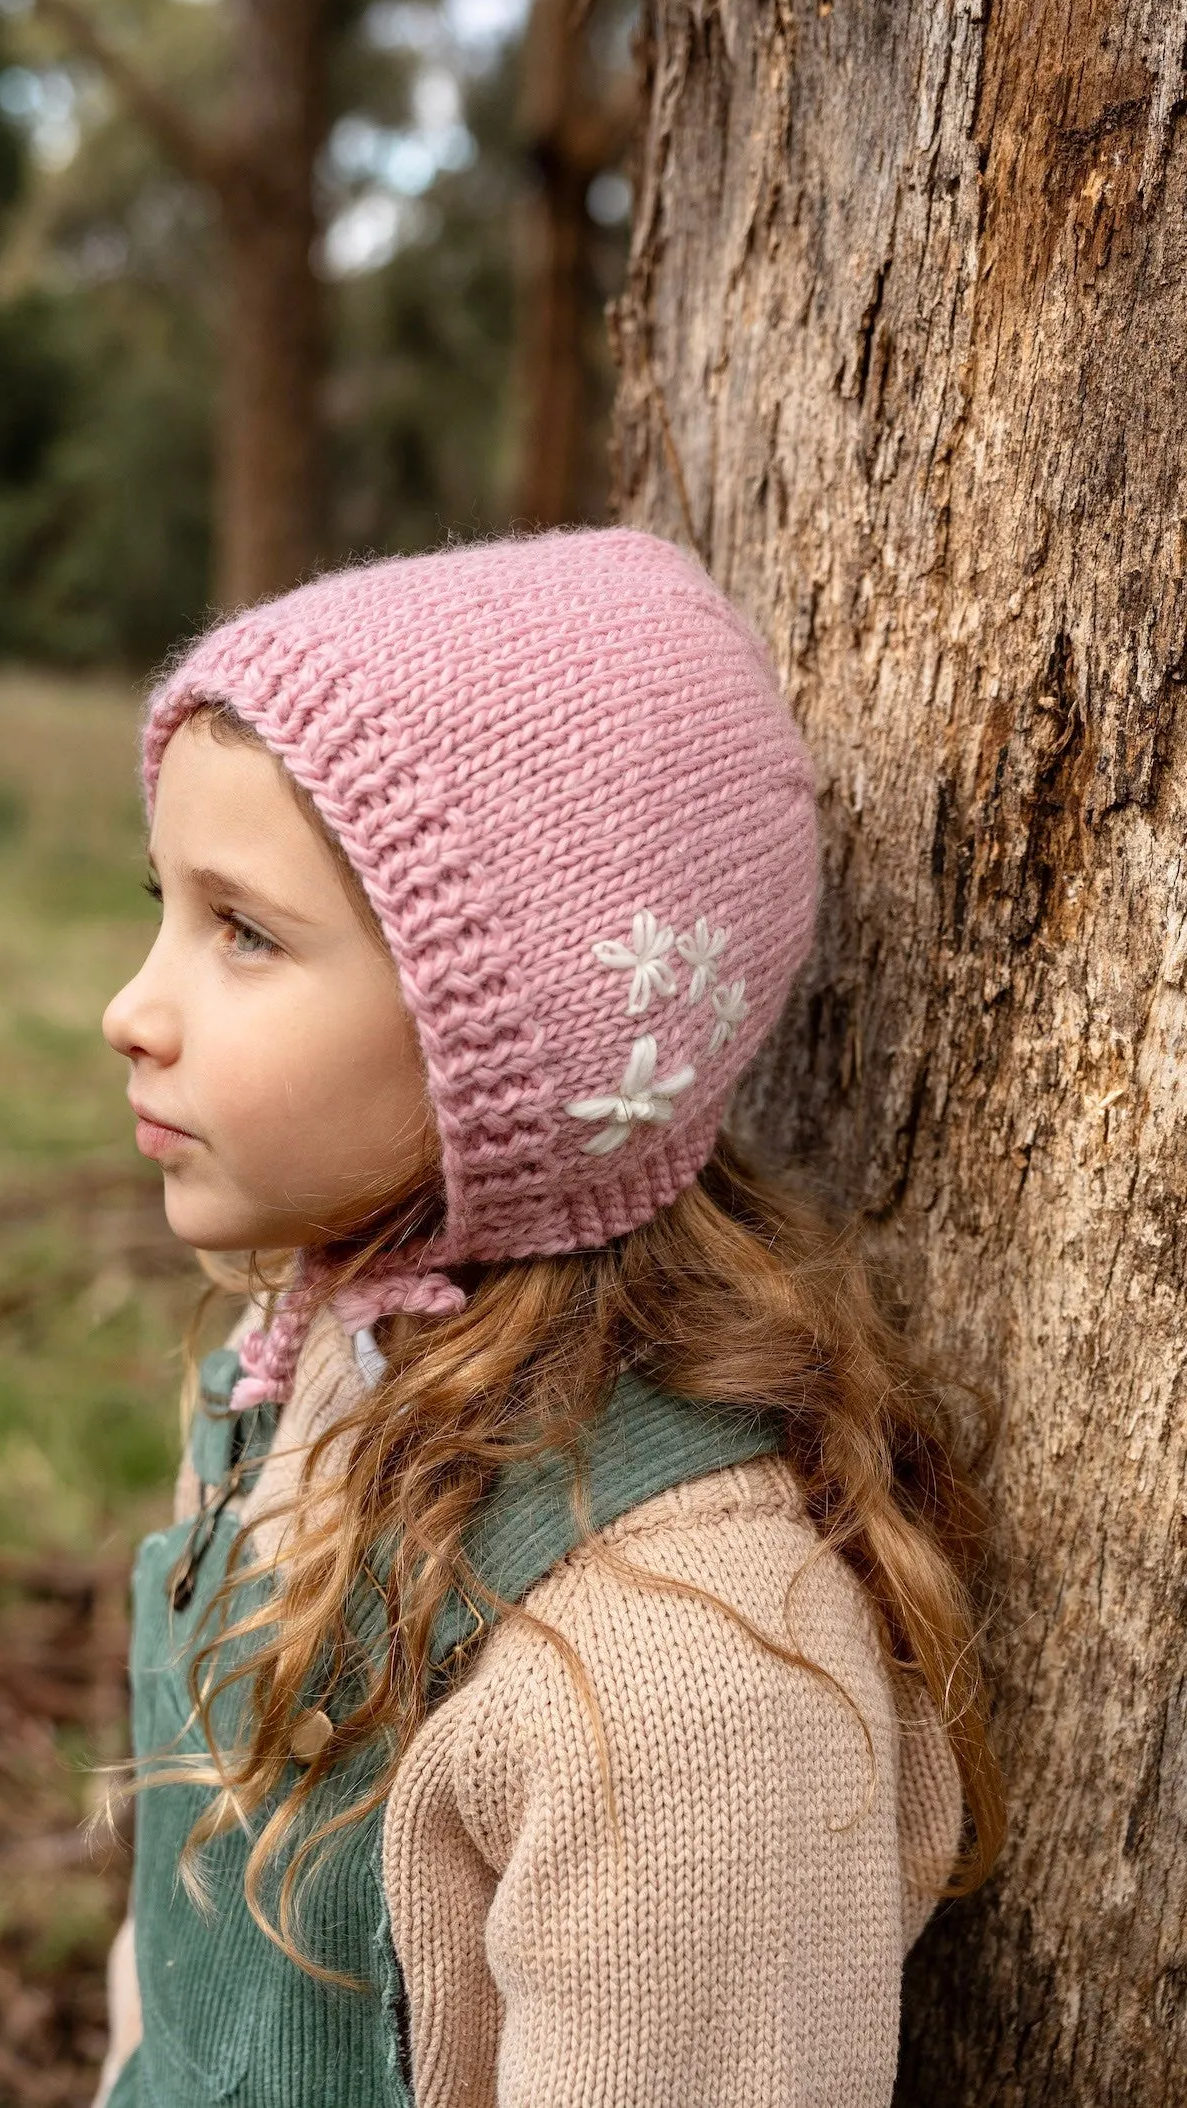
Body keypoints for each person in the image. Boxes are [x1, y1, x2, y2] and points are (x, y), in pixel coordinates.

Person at [95, 527, 1002, 2108]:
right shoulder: (293, 1377)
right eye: (162, 904)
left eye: (243, 931)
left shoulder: (683, 1671)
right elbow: (169, 1973)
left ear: (494, 1023)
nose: (132, 1007)